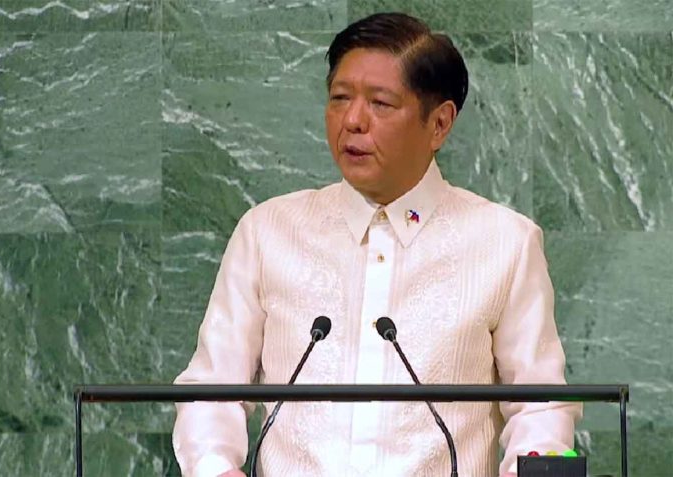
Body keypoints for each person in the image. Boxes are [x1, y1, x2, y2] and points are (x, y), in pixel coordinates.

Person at [173, 12, 582, 477]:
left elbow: (541, 407)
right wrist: (213, 468)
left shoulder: (505, 243)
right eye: (339, 98)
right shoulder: (267, 232)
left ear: (439, 124)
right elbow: (211, 387)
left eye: (381, 103)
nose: (353, 120)